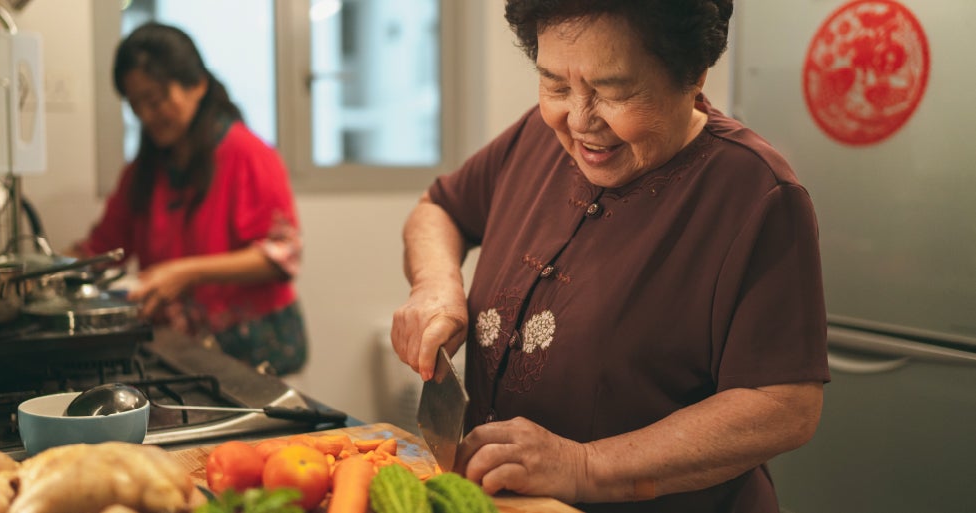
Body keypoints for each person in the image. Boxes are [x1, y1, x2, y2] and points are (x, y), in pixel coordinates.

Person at [390, 1, 829, 511]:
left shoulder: (755, 191)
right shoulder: (537, 134)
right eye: (555, 85)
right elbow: (440, 209)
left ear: (693, 74)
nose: (579, 120)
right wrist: (436, 287)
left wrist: (584, 465)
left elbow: (785, 405)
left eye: (614, 91)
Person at [70, 22, 307, 376]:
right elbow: (104, 250)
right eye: (136, 105)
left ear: (196, 84)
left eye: (156, 99)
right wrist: (47, 271)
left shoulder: (247, 154)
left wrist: (185, 273)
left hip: (250, 345)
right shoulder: (144, 171)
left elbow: (281, 256)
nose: (147, 115)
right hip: (182, 348)